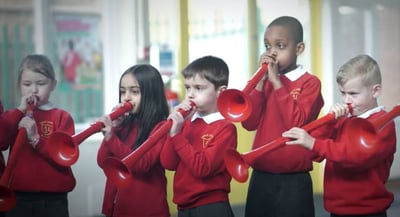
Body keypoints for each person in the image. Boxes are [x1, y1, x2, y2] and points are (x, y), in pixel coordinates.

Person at [282, 54, 396, 217]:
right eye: (343, 93)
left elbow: (356, 158)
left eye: (353, 93)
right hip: (336, 208)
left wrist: (314, 143)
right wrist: (328, 122)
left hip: (369, 210)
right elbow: (314, 155)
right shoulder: (342, 120)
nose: (346, 100)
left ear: (375, 91)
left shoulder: (384, 124)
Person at [241, 16, 324, 217]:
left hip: (294, 179)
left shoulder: (310, 83)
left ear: (299, 49)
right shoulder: (265, 81)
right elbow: (249, 123)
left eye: (280, 45)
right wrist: (259, 84)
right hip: (261, 174)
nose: (272, 53)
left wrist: (277, 83)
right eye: (268, 46)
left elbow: (297, 123)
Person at [160, 55, 238, 217]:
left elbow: (202, 168)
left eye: (199, 88)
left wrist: (176, 136)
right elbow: (169, 163)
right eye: (188, 88)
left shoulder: (225, 128)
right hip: (184, 206)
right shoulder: (187, 123)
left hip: (211, 206)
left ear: (220, 92)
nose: (190, 94)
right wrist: (175, 130)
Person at [0, 54, 76, 217]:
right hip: (17, 195)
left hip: (53, 198)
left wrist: (36, 140)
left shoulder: (62, 117)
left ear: (53, 85)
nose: (33, 90)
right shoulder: (13, 116)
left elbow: (64, 157)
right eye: (27, 84)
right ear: (19, 86)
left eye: (41, 83)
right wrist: (20, 110)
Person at [96, 64, 170, 217]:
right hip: (120, 207)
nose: (126, 97)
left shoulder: (161, 127)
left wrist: (111, 138)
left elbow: (142, 164)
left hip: (148, 209)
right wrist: (114, 129)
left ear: (151, 94)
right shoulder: (124, 124)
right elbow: (103, 161)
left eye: (134, 91)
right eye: (123, 92)